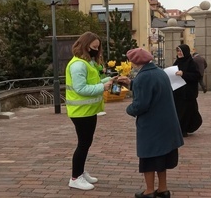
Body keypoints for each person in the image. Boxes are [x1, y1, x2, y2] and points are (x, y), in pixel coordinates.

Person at [118, 48, 184, 198]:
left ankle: (149, 191)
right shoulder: (160, 72)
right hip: (166, 123)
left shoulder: (143, 77)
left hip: (152, 126)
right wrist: (131, 83)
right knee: (162, 157)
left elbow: (141, 104)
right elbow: (152, 88)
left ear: (135, 62)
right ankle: (163, 189)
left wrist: (129, 109)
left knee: (149, 158)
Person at [65, 31, 114, 190]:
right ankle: (75, 177)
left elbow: (93, 81)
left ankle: (80, 171)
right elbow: (81, 88)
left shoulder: (86, 62)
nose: (96, 50)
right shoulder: (78, 64)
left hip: (87, 110)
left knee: (86, 143)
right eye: (93, 47)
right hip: (81, 111)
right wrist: (102, 87)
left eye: (97, 47)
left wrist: (108, 80)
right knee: (83, 144)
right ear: (85, 45)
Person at [173, 44, 202, 137]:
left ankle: (184, 129)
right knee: (178, 111)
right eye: (178, 51)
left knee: (187, 111)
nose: (179, 53)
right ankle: (179, 129)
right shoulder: (177, 62)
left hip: (188, 92)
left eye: (181, 51)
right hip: (178, 92)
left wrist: (184, 74)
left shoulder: (191, 63)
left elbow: (197, 76)